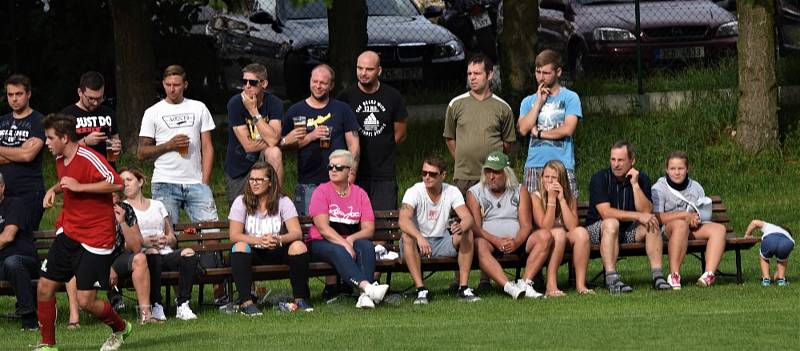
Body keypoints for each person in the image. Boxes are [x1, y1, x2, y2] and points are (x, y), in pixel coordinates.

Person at [36, 113, 131, 351]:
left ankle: (121, 328)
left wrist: (80, 187)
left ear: (65, 138)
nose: (46, 143)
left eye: (49, 138)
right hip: (69, 232)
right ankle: (47, 345)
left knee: (86, 301)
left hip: (96, 238)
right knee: (44, 287)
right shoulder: (60, 157)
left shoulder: (89, 157)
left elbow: (117, 183)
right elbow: (69, 180)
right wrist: (55, 189)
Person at [136, 64, 218, 226]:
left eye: (176, 85)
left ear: (185, 85)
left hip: (196, 181)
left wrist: (204, 181)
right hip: (164, 181)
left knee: (211, 232)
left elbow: (207, 147)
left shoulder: (198, 107)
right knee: (167, 236)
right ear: (163, 84)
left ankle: (208, 253)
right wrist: (169, 145)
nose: (172, 89)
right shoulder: (153, 112)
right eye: (168, 85)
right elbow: (141, 153)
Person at [586, 140, 672, 293]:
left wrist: (635, 185)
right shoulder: (600, 178)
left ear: (632, 161)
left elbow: (646, 211)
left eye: (620, 160)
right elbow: (605, 213)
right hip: (598, 230)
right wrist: (638, 216)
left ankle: (657, 276)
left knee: (651, 223)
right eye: (613, 159)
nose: (616, 164)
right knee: (612, 223)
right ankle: (611, 279)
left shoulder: (642, 179)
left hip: (627, 231)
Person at [306, 150, 389, 309]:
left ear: (349, 171)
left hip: (347, 241)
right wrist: (344, 244)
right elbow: (323, 228)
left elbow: (368, 229)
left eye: (338, 167)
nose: (333, 170)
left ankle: (364, 296)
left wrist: (350, 240)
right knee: (339, 250)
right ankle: (368, 287)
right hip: (321, 242)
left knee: (365, 246)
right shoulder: (321, 191)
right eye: (330, 167)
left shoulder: (360, 194)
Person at [228, 161, 312, 315]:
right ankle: (247, 303)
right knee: (239, 246)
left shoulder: (283, 201)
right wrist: (259, 240)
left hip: (277, 249)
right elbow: (234, 235)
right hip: (253, 252)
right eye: (252, 179)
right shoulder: (241, 202)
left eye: (259, 180)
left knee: (298, 246)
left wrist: (278, 239)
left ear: (270, 182)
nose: (254, 183)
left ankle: (300, 299)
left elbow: (296, 232)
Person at [121, 167, 201, 321]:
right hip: (143, 257)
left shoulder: (157, 205)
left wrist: (166, 239)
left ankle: (183, 304)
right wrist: (144, 242)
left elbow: (172, 237)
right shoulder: (124, 208)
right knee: (152, 253)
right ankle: (157, 304)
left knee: (189, 253)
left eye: (129, 180)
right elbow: (125, 243)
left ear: (140, 182)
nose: (125, 184)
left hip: (165, 253)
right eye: (122, 181)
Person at [399, 154, 480, 304]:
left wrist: (461, 226)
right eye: (424, 173)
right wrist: (419, 237)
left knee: (466, 232)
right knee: (406, 236)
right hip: (417, 244)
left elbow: (468, 218)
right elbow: (403, 220)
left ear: (443, 175)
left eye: (432, 174)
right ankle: (421, 290)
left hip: (442, 241)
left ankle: (463, 288)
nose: (427, 177)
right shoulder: (414, 191)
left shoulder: (452, 191)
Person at [466, 151, 548, 299]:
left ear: (506, 173)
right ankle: (509, 287)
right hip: (490, 242)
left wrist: (516, 242)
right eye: (488, 171)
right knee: (479, 244)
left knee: (545, 236)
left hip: (518, 241)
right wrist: (496, 241)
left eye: (496, 172)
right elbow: (476, 228)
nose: (491, 176)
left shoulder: (519, 190)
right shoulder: (475, 192)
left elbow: (526, 225)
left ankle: (525, 283)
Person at [65, 191, 151, 329]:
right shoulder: (89, 209)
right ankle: (74, 319)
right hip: (91, 256)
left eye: (114, 193)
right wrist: (106, 267)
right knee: (71, 267)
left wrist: (122, 222)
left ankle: (146, 314)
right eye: (107, 192)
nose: (111, 196)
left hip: (117, 258)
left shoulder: (125, 209)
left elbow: (136, 247)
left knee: (140, 259)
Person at [282, 64, 359, 215]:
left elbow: (354, 145)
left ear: (331, 86)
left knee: (339, 226)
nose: (318, 86)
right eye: (314, 81)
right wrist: (311, 136)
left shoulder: (342, 109)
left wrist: (351, 174)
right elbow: (282, 144)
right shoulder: (296, 111)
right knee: (309, 229)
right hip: (308, 182)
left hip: (338, 180)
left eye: (323, 83)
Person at [337, 50, 408, 211]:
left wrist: (383, 146)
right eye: (359, 68)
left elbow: (401, 133)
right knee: (354, 221)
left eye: (369, 69)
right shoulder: (345, 97)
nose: (363, 73)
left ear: (379, 70)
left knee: (383, 222)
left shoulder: (393, 96)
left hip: (384, 172)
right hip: (354, 171)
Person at [651, 151, 727, 289]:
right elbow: (657, 217)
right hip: (667, 230)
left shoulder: (696, 187)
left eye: (680, 168)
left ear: (687, 169)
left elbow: (702, 212)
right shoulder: (658, 188)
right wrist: (683, 216)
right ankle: (674, 275)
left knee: (719, 229)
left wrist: (696, 219)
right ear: (667, 170)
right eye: (673, 169)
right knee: (681, 225)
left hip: (691, 228)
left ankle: (708, 275)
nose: (677, 172)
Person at [443, 54, 515, 196]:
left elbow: (508, 144)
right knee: (463, 216)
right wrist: (461, 158)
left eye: (477, 73)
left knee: (493, 216)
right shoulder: (456, 104)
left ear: (489, 75)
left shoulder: (503, 107)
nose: (472, 78)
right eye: (469, 73)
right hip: (464, 176)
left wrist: (495, 161)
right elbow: (449, 137)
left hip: (493, 175)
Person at [518, 50, 582, 199]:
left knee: (566, 210)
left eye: (546, 73)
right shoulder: (528, 101)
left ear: (558, 72)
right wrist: (538, 103)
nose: (541, 77)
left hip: (561, 165)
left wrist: (539, 133)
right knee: (532, 213)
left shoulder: (570, 97)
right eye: (538, 72)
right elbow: (522, 129)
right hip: (534, 165)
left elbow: (568, 129)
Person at [223, 63, 285, 204]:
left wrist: (254, 112)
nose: (247, 86)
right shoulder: (235, 103)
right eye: (244, 82)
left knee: (274, 152)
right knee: (241, 212)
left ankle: (276, 202)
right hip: (239, 168)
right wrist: (279, 140)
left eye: (252, 82)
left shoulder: (275, 104)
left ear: (264, 84)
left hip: (263, 161)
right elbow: (248, 146)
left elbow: (273, 141)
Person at [531, 160, 592, 296]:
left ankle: (581, 285)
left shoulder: (569, 196)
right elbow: (545, 226)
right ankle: (551, 285)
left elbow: (572, 226)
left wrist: (562, 199)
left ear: (561, 180)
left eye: (554, 178)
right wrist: (551, 200)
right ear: (541, 178)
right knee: (558, 233)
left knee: (582, 233)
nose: (549, 181)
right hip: (543, 240)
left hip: (564, 236)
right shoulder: (536, 197)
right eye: (546, 177)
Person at [0, 74, 45, 231]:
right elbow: (22, 154)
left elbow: (28, 156)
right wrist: (19, 150)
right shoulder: (2, 121)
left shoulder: (39, 121)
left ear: (28, 94)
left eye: (18, 94)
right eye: (10, 94)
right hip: (3, 191)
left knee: (24, 238)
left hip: (29, 191)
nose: (14, 99)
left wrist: (19, 153)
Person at [0, 171, 39, 330]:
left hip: (25, 262)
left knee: (13, 263)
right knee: (9, 264)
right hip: (2, 266)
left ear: (2, 188)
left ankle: (30, 320)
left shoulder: (14, 204)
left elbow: (8, 237)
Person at [60, 71, 122, 168]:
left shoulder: (109, 113)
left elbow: (114, 150)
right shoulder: (67, 114)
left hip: (106, 173)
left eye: (100, 98)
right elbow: (60, 151)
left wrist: (116, 149)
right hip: (78, 175)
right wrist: (85, 142)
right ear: (80, 92)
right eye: (91, 98)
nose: (95, 103)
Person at [745, 220, 794, 286]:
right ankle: (781, 280)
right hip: (787, 242)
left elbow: (754, 222)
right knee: (782, 260)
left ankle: (766, 279)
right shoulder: (788, 236)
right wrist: (778, 274)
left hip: (769, 239)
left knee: (764, 258)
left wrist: (747, 234)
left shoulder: (769, 226)